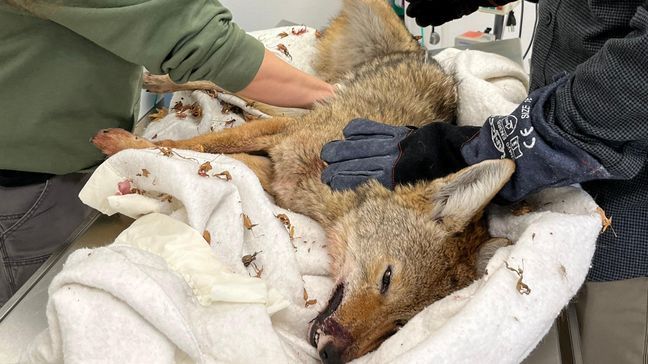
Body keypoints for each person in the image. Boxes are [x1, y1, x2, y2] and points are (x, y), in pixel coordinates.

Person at [321, 0, 647, 362]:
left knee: (605, 351)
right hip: (548, 200)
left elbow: (634, 85)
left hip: (628, 236)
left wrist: (484, 150)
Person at [0, 0, 335, 307]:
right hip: (27, 180)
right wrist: (337, 97)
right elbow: (200, 38)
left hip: (50, 137)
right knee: (31, 305)